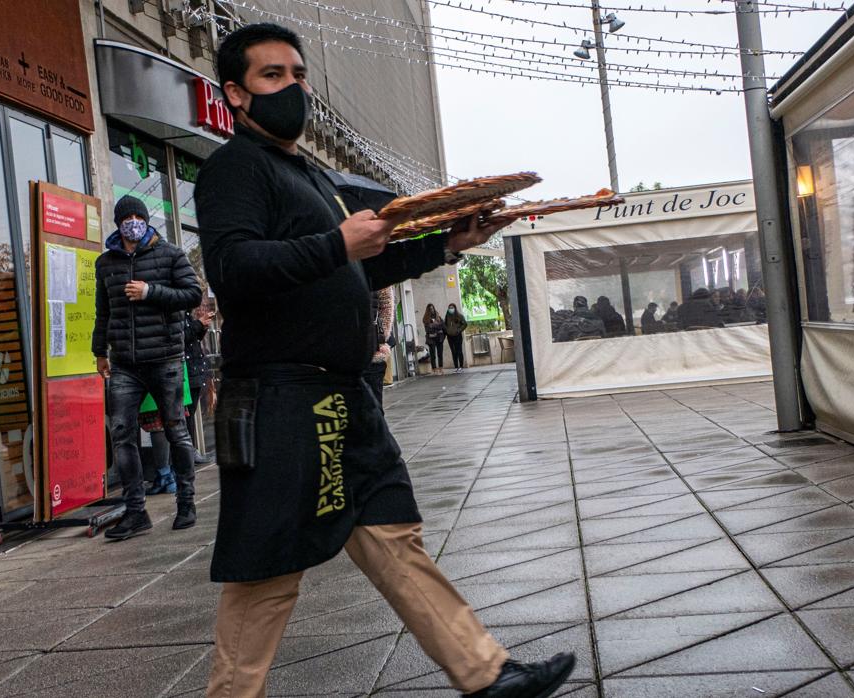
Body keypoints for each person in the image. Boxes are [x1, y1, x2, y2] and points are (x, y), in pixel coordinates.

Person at [196, 23, 574, 698]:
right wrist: (337, 244)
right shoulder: (235, 170)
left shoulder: (308, 175)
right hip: (282, 402)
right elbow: (233, 269)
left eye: (298, 73)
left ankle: (484, 673)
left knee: (394, 535)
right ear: (235, 93)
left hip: (344, 398)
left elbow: (359, 269)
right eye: (272, 76)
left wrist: (453, 243)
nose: (294, 87)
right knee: (269, 574)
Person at [93, 195, 202, 539]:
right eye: (128, 218)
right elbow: (103, 311)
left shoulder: (169, 254)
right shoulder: (106, 263)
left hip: (165, 358)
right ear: (118, 223)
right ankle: (136, 512)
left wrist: (151, 291)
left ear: (145, 220)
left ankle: (186, 502)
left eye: (139, 216)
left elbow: (192, 295)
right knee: (122, 433)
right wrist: (100, 352)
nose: (134, 222)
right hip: (125, 363)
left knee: (175, 430)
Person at [184, 307, 215, 464]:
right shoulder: (177, 314)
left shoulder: (187, 314)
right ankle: (188, 451)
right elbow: (180, 338)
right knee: (186, 414)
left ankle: (191, 449)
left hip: (194, 368)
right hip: (187, 369)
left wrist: (201, 327)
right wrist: (198, 324)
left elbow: (192, 339)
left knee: (190, 411)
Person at [365, 287, 396, 405]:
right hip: (344, 357)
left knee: (374, 405)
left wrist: (380, 338)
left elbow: (386, 305)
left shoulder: (372, 274)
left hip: (373, 353)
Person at [444, 302, 468, 372]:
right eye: (449, 308)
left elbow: (465, 324)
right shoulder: (447, 316)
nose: (451, 309)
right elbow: (445, 325)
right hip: (450, 337)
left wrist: (459, 330)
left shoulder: (459, 316)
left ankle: (461, 366)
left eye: (452, 308)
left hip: (457, 336)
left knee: (459, 351)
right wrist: (446, 331)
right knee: (453, 351)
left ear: (455, 308)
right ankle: (456, 367)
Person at [424, 303, 446, 375]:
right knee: (433, 354)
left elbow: (442, 325)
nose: (432, 310)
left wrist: (433, 325)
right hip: (431, 338)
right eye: (430, 309)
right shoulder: (426, 318)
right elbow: (427, 329)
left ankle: (441, 368)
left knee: (440, 353)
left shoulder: (438, 316)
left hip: (439, 337)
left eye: (433, 308)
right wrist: (437, 326)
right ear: (428, 310)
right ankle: (434, 369)